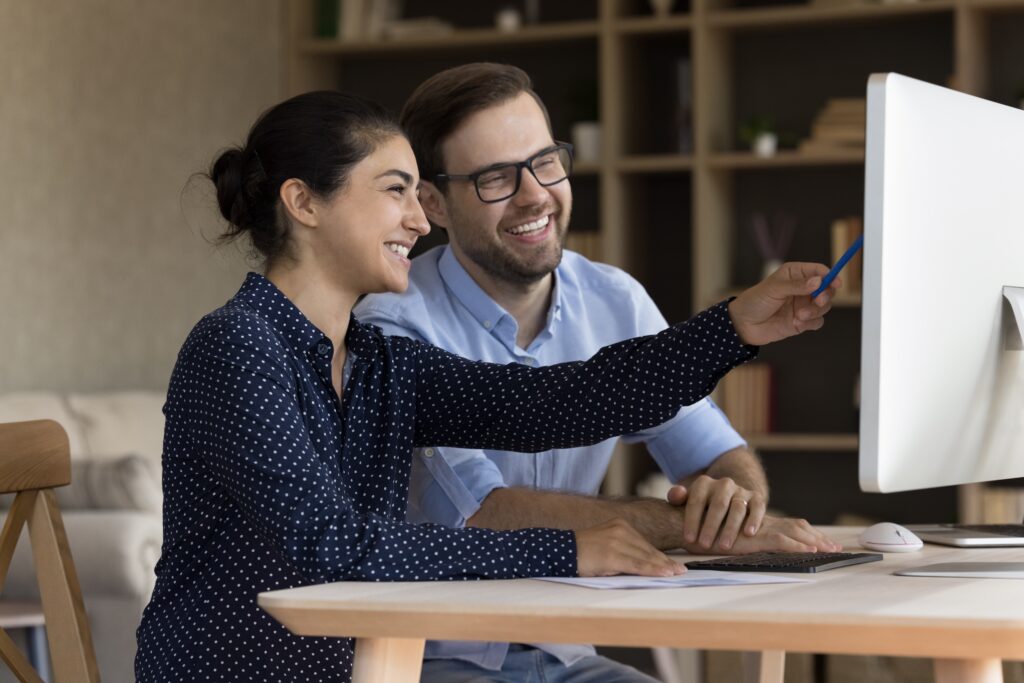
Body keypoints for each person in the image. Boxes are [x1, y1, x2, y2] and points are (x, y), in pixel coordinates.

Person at [134, 90, 838, 683]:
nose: (417, 219)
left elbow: (553, 402)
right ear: (304, 203)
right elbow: (334, 544)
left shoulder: (380, 360)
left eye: (417, 193)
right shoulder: (236, 345)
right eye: (394, 192)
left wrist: (734, 328)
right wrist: (569, 548)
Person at [354, 63, 840, 682]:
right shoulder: (391, 326)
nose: (535, 195)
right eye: (496, 178)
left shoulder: (616, 298)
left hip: (567, 657)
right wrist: (691, 529)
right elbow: (482, 513)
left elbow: (714, 449)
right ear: (433, 204)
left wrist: (733, 503)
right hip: (431, 660)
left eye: (545, 162)